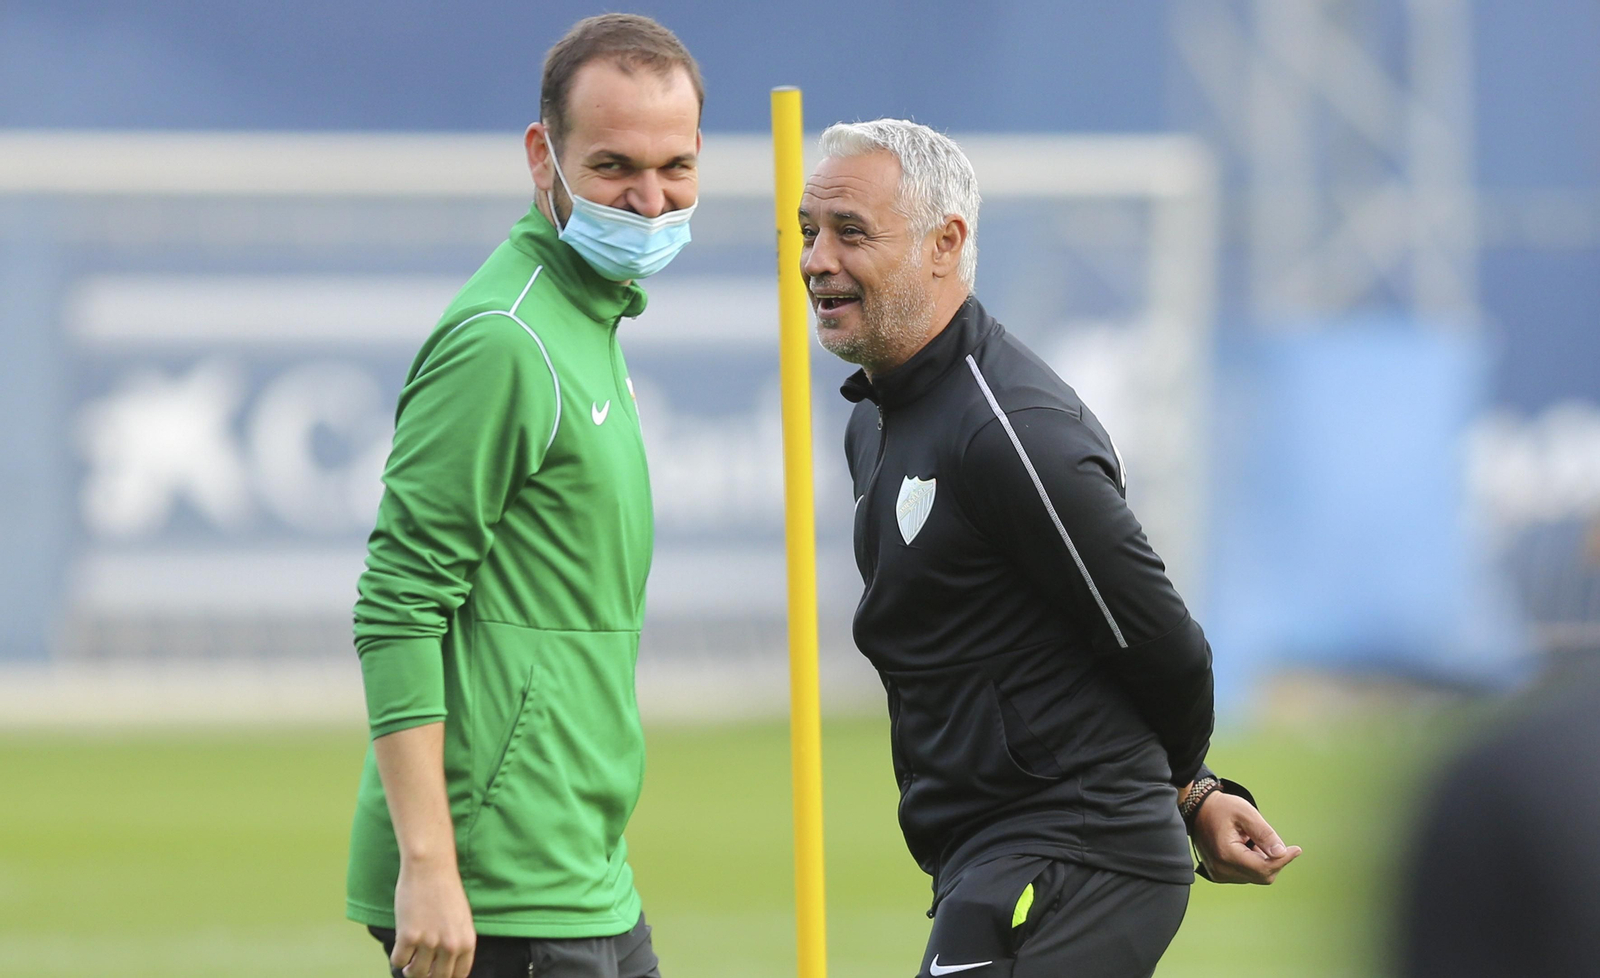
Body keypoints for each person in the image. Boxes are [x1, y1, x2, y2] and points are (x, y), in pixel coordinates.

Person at [798, 119, 1301, 978]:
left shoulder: (1012, 434)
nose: (817, 260)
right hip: (995, 853)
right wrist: (1191, 791)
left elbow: (1166, 648)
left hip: (1080, 854)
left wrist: (1189, 787)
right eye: (808, 231)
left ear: (944, 244)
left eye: (851, 232)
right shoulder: (873, 422)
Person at [344, 14, 702, 978]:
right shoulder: (505, 340)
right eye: (615, 166)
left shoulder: (591, 321)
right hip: (493, 882)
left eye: (675, 167)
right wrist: (429, 865)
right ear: (544, 156)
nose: (651, 200)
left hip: (583, 867)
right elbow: (398, 605)